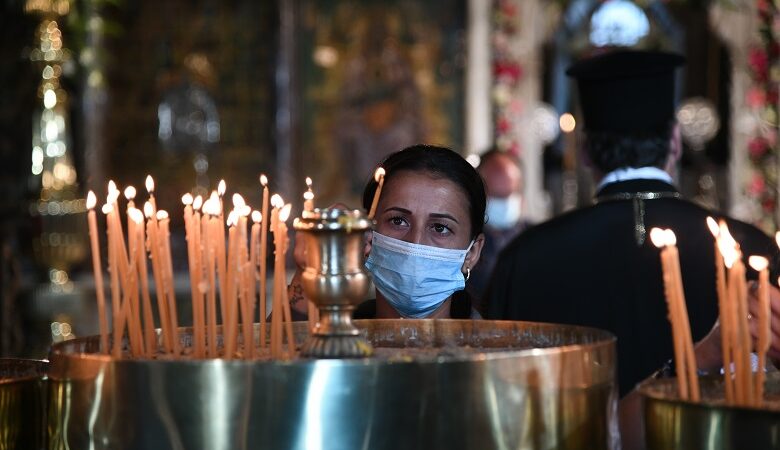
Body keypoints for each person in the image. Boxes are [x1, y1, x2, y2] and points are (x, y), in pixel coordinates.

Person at [484, 50, 774, 397]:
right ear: (676, 142)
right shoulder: (749, 247)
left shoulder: (527, 256)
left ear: (587, 151)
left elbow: (498, 387)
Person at [289, 144, 486, 319]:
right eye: (398, 221)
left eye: (440, 228)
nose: (415, 244)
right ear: (366, 234)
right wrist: (308, 273)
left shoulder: (493, 353)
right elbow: (280, 353)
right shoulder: (336, 343)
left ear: (472, 252)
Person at [468, 148, 531, 311]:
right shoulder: (462, 243)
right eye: (495, 196)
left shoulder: (539, 240)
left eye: (508, 195)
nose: (502, 203)